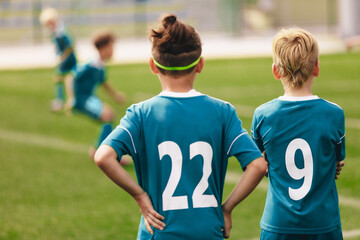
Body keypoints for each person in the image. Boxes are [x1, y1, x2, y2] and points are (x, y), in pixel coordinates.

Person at [94, 14, 267, 240]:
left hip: (159, 231)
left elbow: (103, 157)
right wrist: (227, 208)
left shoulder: (140, 114)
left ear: (152, 66)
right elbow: (257, 165)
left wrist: (139, 196)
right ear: (201, 64)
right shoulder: (222, 112)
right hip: (208, 231)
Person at [251, 28, 346, 240]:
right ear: (317, 67)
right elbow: (336, 162)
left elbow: (259, 163)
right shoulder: (334, 114)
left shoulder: (263, 115)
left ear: (275, 71)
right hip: (324, 224)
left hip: (278, 224)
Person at [66, 31, 126, 160]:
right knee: (107, 115)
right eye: (111, 47)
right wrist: (72, 99)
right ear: (103, 48)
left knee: (109, 116)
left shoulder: (100, 65)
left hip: (89, 98)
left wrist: (115, 96)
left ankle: (98, 151)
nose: (113, 51)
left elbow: (103, 82)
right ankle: (104, 154)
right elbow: (70, 78)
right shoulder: (90, 64)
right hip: (82, 99)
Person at [39, 7, 77, 112]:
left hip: (68, 57)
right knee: (68, 78)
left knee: (62, 77)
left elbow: (69, 46)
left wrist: (62, 58)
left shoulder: (61, 31)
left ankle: (61, 101)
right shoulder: (56, 30)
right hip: (66, 57)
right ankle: (70, 101)